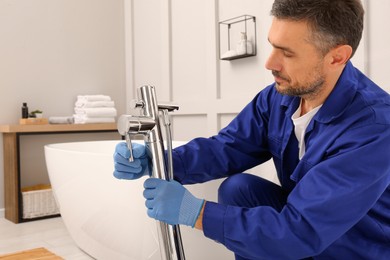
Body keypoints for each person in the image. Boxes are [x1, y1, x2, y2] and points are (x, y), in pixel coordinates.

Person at [113, 0, 390, 259]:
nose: (270, 64)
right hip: (310, 230)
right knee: (239, 190)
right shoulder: (280, 97)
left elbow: (302, 229)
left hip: (356, 245)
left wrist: (196, 213)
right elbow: (228, 147)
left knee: (276, 222)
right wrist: (159, 160)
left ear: (336, 57)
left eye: (288, 53)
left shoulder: (374, 128)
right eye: (273, 46)